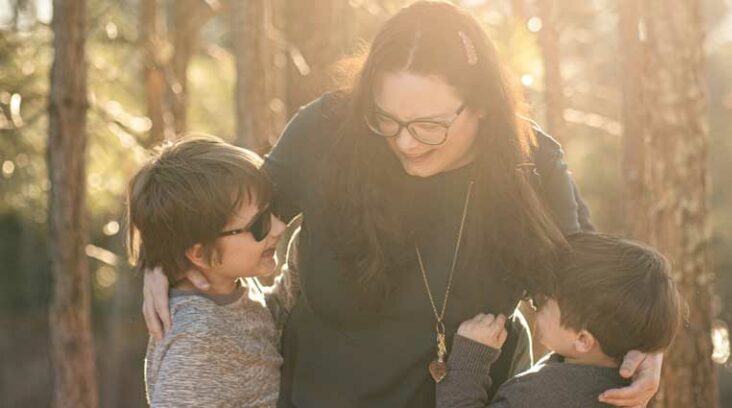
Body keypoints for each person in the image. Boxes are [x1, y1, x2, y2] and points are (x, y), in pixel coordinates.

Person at [143, 2, 662, 407]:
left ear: (481, 105)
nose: (406, 143)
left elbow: (600, 289)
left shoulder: (533, 165)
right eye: (385, 120)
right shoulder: (328, 130)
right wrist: (159, 259)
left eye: (429, 126)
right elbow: (223, 217)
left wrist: (647, 349)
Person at [128, 136, 297, 407]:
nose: (279, 228)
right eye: (260, 225)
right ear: (199, 253)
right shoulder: (195, 344)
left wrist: (306, 247)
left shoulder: (230, 287)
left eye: (272, 210)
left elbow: (266, 323)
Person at [437, 233, 682, 407]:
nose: (534, 302)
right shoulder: (616, 386)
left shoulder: (539, 396)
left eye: (546, 301)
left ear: (583, 339)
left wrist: (469, 363)